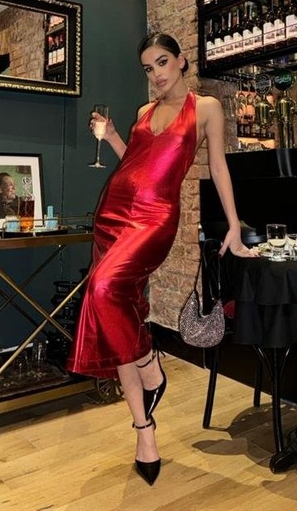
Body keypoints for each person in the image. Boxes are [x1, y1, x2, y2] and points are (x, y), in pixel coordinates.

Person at [66, 32, 259, 486]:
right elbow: (131, 162)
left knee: (102, 289)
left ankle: (150, 364)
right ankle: (144, 429)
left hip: (154, 219)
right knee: (117, 308)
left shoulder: (206, 108)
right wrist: (114, 135)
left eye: (162, 63)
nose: (155, 74)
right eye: (148, 68)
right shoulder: (143, 113)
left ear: (182, 61)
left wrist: (233, 225)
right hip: (113, 212)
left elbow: (218, 167)